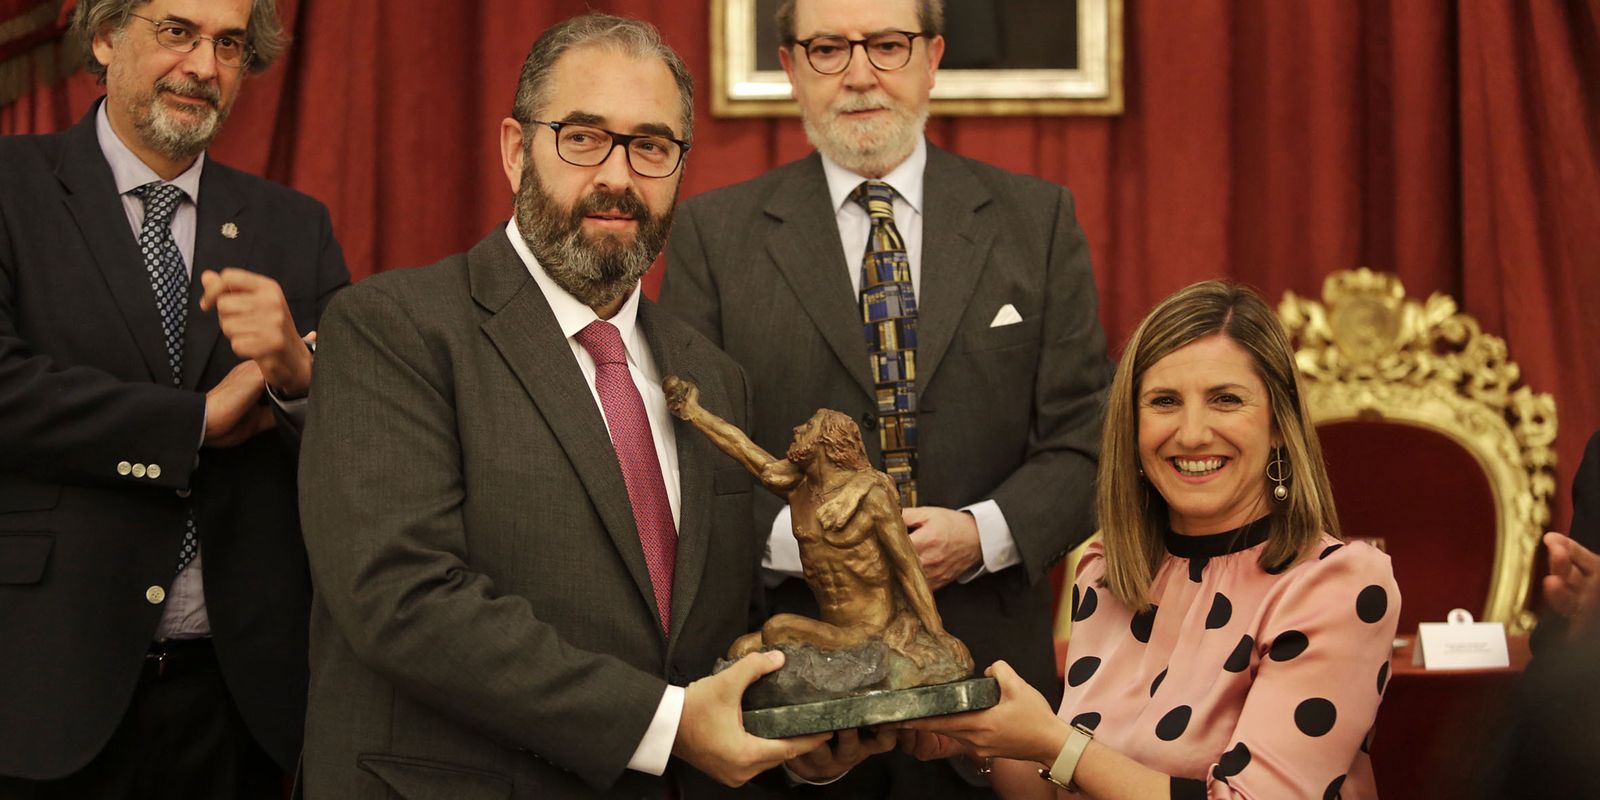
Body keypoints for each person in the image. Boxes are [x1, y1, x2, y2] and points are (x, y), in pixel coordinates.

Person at [296, 14, 836, 798]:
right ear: (517, 149)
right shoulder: (393, 330)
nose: (618, 176)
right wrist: (669, 724)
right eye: (583, 137)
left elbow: (716, 631)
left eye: (651, 146)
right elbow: (402, 600)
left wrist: (782, 730)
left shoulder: (714, 380)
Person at [661, 0, 1110, 791]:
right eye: (830, 48)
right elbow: (688, 456)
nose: (861, 73)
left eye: (888, 45)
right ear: (793, 66)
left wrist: (983, 534)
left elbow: (1086, 435)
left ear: (932, 57)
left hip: (994, 694)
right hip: (796, 698)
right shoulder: (713, 235)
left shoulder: (1035, 221)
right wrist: (805, 541)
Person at [0, 0, 349, 796]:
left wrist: (298, 380)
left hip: (240, 704)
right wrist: (194, 421)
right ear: (103, 35)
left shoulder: (295, 227)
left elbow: (366, 445)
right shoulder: (10, 186)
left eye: (229, 44)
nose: (203, 67)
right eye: (176, 32)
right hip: (44, 687)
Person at [899, 281, 1401, 799]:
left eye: (1225, 399)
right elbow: (1066, 789)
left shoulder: (1336, 585)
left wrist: (1054, 744)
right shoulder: (1106, 572)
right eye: (1164, 401)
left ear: (1278, 423)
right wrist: (984, 738)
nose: (1191, 433)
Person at [665, 379, 969, 682]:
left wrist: (936, 630)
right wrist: (693, 411)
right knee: (741, 648)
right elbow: (742, 448)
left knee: (777, 629)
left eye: (808, 427)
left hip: (869, 631)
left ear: (827, 441)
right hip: (830, 628)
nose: (797, 430)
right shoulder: (798, 489)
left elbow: (908, 567)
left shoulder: (871, 497)